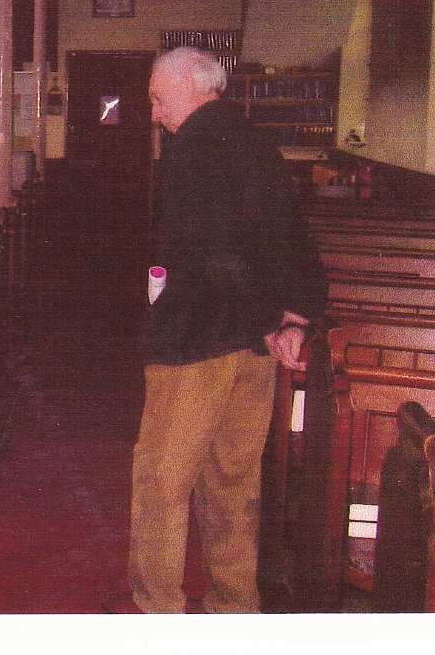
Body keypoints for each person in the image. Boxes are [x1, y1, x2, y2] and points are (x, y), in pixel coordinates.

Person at [124, 47, 327, 613]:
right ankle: (235, 603)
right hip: (255, 350)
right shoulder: (259, 145)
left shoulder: (190, 153)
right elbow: (292, 241)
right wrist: (293, 318)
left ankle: (157, 608)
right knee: (235, 481)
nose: (154, 111)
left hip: (195, 343)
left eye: (159, 98)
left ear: (194, 87)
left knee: (162, 479)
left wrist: (264, 318)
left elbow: (211, 258)